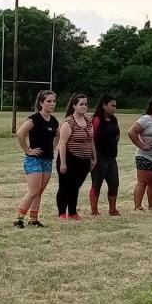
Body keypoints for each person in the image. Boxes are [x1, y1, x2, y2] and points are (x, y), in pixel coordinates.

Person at [14, 90, 58, 228]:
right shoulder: (35, 118)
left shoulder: (53, 120)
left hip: (47, 159)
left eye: (54, 101)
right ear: (41, 103)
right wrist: (28, 150)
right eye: (48, 101)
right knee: (33, 191)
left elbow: (58, 134)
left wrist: (54, 147)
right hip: (34, 160)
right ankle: (19, 218)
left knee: (39, 191)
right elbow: (20, 133)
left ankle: (34, 218)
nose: (52, 104)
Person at [54, 92, 97, 221]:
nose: (84, 107)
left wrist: (93, 157)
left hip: (84, 160)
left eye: (86, 104)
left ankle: (72, 211)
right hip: (70, 158)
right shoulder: (69, 122)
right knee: (65, 186)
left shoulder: (88, 122)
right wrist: (63, 163)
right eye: (81, 104)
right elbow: (62, 144)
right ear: (74, 106)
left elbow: (91, 140)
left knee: (75, 186)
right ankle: (62, 212)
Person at [88, 94, 122, 216]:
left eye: (115, 106)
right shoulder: (97, 120)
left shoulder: (114, 120)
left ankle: (112, 209)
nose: (114, 108)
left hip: (111, 157)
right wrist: (93, 156)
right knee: (97, 183)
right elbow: (91, 138)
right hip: (99, 156)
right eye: (112, 105)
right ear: (104, 105)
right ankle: (94, 210)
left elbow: (117, 134)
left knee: (114, 183)